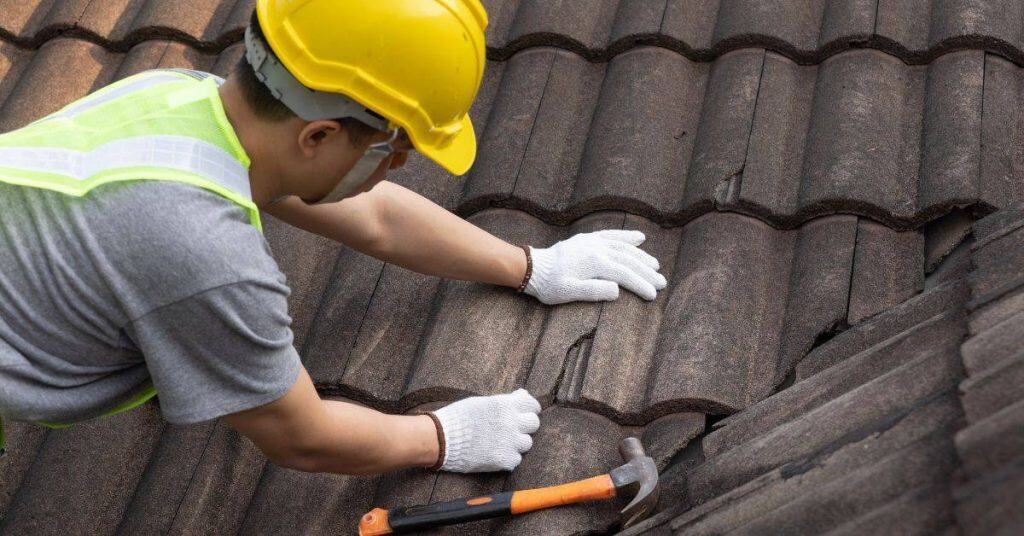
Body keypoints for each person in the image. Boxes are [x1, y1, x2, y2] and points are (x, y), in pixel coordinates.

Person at [0, 1, 666, 475]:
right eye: (394, 149)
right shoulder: (203, 253)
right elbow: (301, 436)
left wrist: (530, 265)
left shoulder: (180, 97)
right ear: (317, 136)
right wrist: (438, 436)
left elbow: (376, 218)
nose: (399, 166)